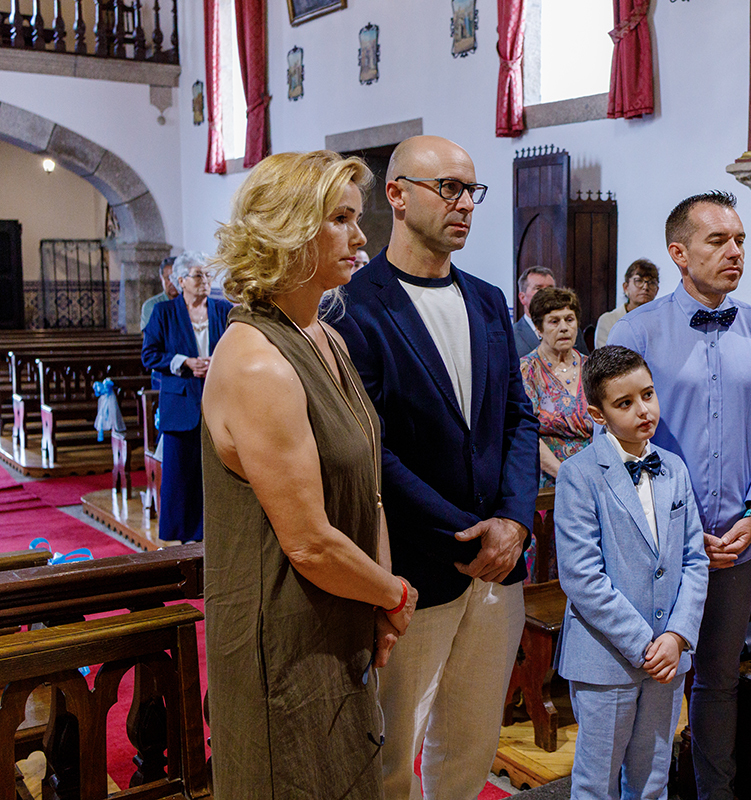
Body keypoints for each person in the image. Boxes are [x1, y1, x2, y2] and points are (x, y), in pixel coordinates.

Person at [201, 150, 416, 799]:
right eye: (342, 219)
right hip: (286, 640)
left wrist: (378, 605)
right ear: (290, 228)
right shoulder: (258, 363)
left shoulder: (327, 337)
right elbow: (309, 542)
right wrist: (394, 594)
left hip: (342, 615)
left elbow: (368, 488)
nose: (362, 237)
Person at [331, 135, 539, 800]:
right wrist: (468, 533)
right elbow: (372, 450)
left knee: (472, 744)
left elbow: (518, 418)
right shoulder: (352, 305)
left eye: (470, 191)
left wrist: (512, 522)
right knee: (392, 749)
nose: (465, 205)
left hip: (499, 565)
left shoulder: (484, 299)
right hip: (413, 567)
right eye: (447, 187)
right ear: (395, 195)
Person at [608, 190, 751, 800]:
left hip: (738, 537)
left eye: (740, 240)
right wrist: (675, 527)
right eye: (718, 240)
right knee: (653, 677)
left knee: (718, 679)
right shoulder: (635, 330)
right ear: (678, 252)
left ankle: (715, 793)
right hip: (661, 544)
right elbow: (622, 438)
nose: (735, 251)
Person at [554, 345, 709, 800]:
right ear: (598, 414)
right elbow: (583, 577)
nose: (644, 411)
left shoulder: (674, 468)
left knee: (652, 779)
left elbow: (695, 560)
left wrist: (677, 636)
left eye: (648, 395)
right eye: (625, 403)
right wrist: (646, 645)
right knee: (596, 783)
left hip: (668, 657)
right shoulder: (579, 475)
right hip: (608, 658)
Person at [141, 250, 232, 542]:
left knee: (217, 473)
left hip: (218, 401)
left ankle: (215, 532)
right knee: (182, 476)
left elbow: (236, 346)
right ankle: (183, 537)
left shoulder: (222, 309)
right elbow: (150, 355)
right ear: (180, 280)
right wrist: (184, 362)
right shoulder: (164, 313)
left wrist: (216, 363)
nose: (205, 280)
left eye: (207, 275)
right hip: (181, 402)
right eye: (198, 275)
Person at [520, 287, 592, 487]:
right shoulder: (527, 370)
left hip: (594, 478)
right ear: (539, 328)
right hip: (548, 480)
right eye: (554, 321)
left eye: (569, 319)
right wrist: (566, 476)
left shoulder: (592, 367)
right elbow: (526, 433)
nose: (564, 328)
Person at [594, 258, 660, 348]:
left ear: (657, 290)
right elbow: (604, 359)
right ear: (626, 287)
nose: (645, 287)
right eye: (639, 281)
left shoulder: (661, 321)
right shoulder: (608, 320)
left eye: (652, 282)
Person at [513, 265, 557, 356]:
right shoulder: (511, 336)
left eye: (550, 288)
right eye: (538, 288)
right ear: (522, 297)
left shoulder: (570, 330)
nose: (546, 293)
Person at [139, 256, 178, 331]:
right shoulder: (151, 306)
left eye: (175, 278)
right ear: (161, 278)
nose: (172, 283)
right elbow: (149, 337)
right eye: (168, 278)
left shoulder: (190, 303)